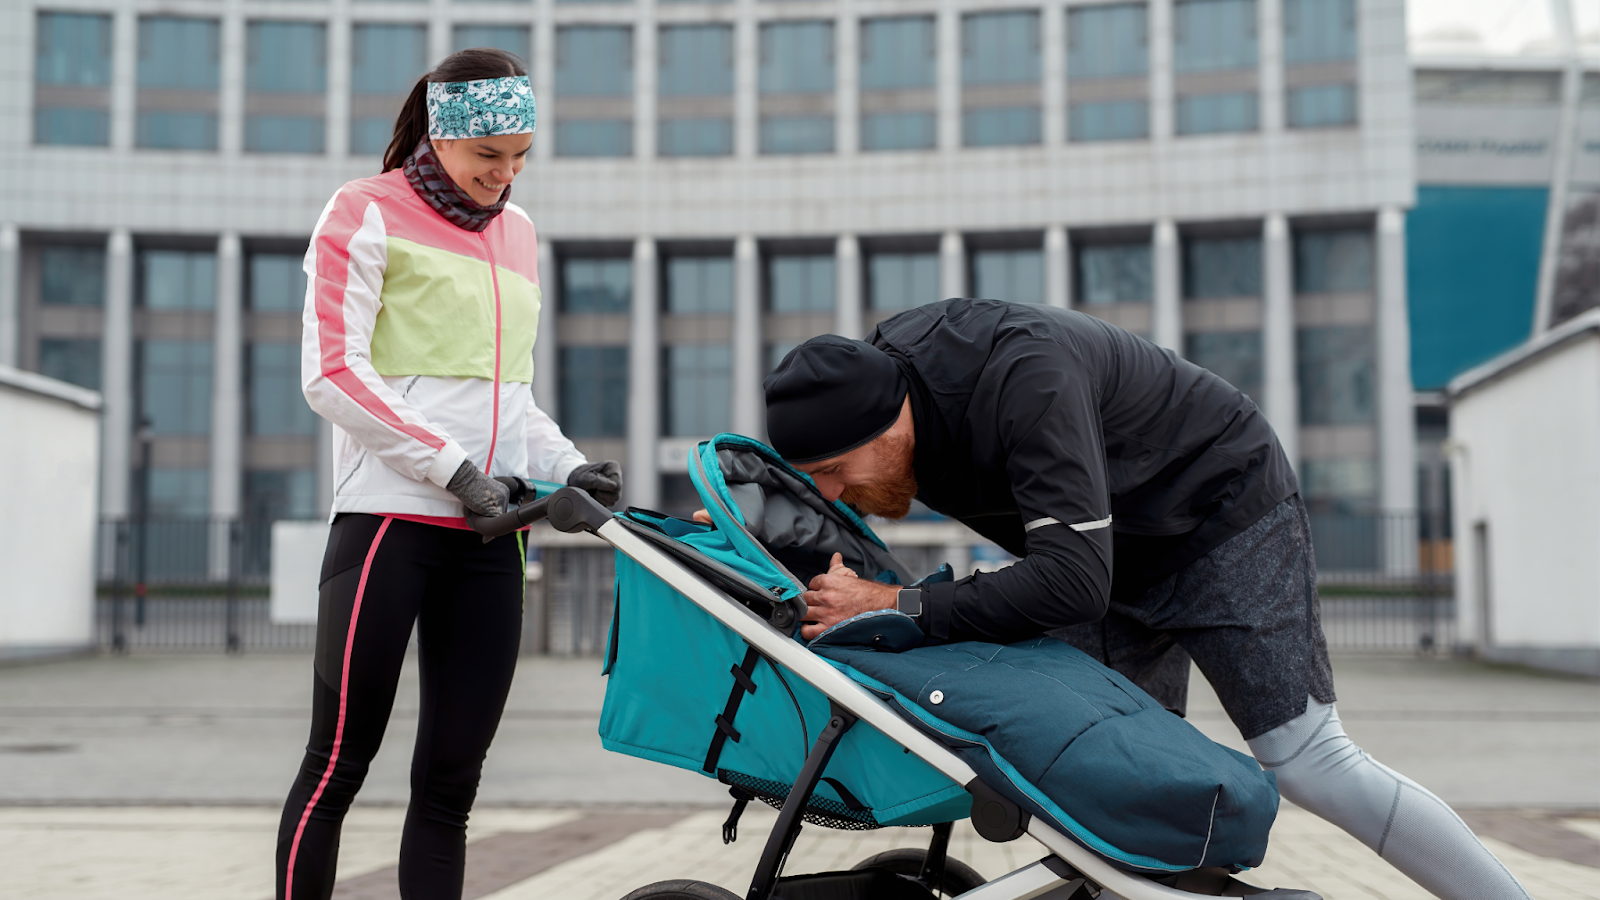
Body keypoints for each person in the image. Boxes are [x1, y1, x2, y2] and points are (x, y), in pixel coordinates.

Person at [759, 299, 1530, 900]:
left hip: (1219, 515)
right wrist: (745, 526)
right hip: (1100, 556)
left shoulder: (1024, 378)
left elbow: (1072, 582)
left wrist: (901, 603)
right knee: (1100, 786)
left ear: (888, 421)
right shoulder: (863, 392)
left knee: (1309, 762)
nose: (834, 495)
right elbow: (818, 502)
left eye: (835, 472)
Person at [276, 48, 622, 900]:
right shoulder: (364, 210)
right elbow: (333, 373)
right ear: (440, 136)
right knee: (337, 764)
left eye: (521, 156)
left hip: (491, 536)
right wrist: (454, 469)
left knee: (451, 786)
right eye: (488, 155)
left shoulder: (519, 233)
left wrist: (570, 466)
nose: (505, 175)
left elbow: (510, 397)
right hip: (389, 523)